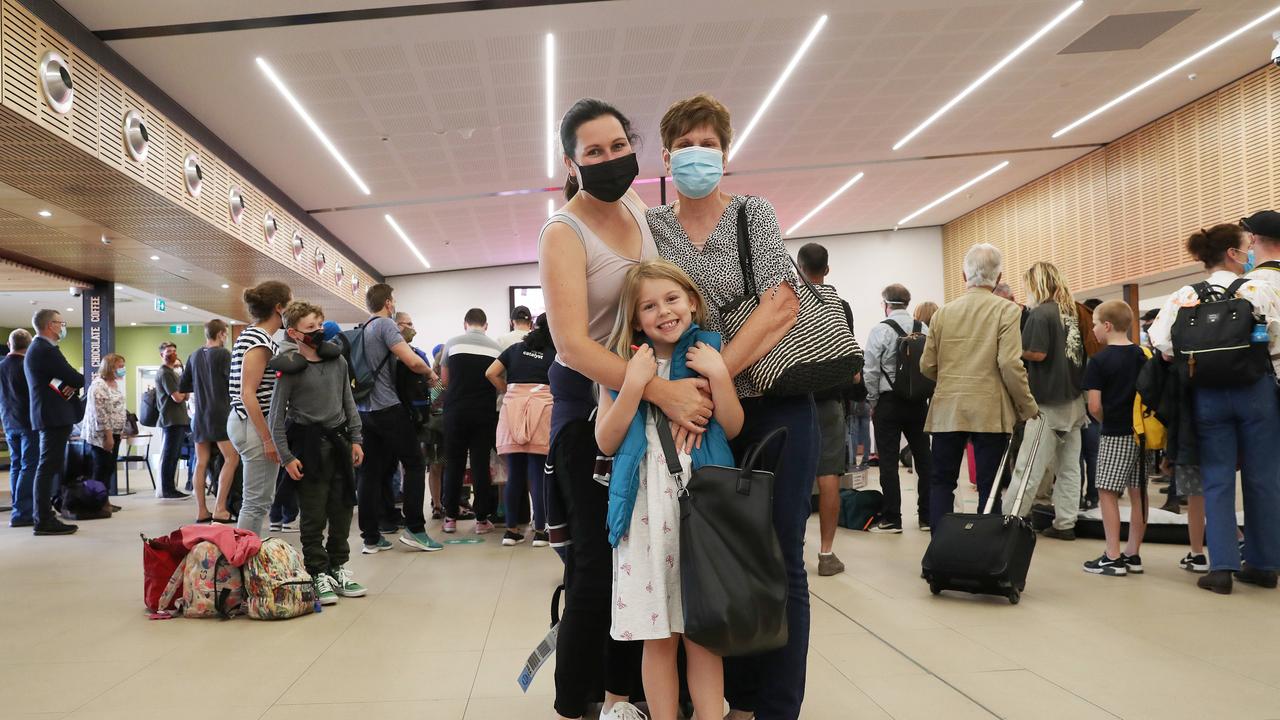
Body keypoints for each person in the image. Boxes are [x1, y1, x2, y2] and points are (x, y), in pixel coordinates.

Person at [646, 92, 812, 720]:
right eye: (684, 146)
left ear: (726, 151)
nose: (697, 155)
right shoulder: (654, 226)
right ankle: (724, 698)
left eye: (707, 144)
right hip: (690, 417)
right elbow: (649, 306)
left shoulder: (751, 213)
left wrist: (719, 381)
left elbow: (779, 304)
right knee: (710, 556)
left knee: (779, 556)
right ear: (666, 156)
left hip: (766, 406)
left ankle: (773, 705)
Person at [540, 98, 703, 720]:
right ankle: (594, 699)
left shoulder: (637, 207)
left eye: (617, 147)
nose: (610, 160)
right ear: (571, 162)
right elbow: (571, 343)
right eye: (594, 152)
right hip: (596, 416)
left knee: (658, 561)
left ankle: (651, 693)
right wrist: (654, 390)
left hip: (659, 415)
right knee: (601, 566)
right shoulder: (564, 232)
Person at [596, 260, 743, 720]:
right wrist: (635, 385)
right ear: (635, 318)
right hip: (644, 516)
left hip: (702, 515)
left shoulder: (708, 353)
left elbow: (733, 427)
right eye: (649, 306)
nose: (663, 311)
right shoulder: (622, 364)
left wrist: (719, 374)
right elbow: (605, 439)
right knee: (657, 637)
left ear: (692, 301)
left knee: (703, 635)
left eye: (672, 299)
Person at [1150, 223, 1280, 594]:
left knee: (1217, 479)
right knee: (1263, 478)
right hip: (1256, 391)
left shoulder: (1185, 294)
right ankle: (1263, 563)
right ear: (1232, 254)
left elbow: (1160, 342)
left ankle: (1221, 567)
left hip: (1207, 394)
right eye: (1245, 247)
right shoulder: (1260, 288)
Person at [922, 245, 1038, 530]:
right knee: (990, 486)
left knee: (942, 482)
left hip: (948, 408)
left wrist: (950, 378)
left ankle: (940, 549)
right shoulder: (1007, 311)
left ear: (964, 275)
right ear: (998, 278)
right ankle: (986, 552)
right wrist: (1027, 406)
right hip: (990, 410)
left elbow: (926, 365)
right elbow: (1010, 363)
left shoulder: (943, 313)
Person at [268, 301, 367, 604]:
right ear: (294, 333)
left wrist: (356, 438)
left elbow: (348, 403)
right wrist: (286, 457)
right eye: (311, 328)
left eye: (320, 326)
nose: (318, 332)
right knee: (313, 514)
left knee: (341, 510)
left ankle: (338, 567)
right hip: (308, 448)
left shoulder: (337, 363)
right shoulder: (291, 369)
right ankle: (317, 572)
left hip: (339, 444)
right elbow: (275, 417)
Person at [1001, 262, 1087, 540]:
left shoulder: (1041, 314)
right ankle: (1066, 523)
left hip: (1048, 403)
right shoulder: (1072, 312)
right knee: (1070, 468)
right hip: (1075, 400)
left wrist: (1010, 347)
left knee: (1028, 467)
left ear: (1037, 284)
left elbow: (1036, 353)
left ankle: (1009, 521)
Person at [355, 283, 442, 555]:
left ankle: (371, 537)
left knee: (370, 472)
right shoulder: (385, 326)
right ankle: (415, 529)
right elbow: (411, 361)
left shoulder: (364, 329)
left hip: (366, 410)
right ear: (389, 303)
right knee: (415, 464)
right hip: (388, 407)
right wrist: (430, 374)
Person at [796, 242, 854, 576]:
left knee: (795, 476)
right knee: (829, 474)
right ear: (827, 270)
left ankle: (791, 547)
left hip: (796, 400)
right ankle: (827, 554)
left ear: (799, 269)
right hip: (830, 402)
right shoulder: (840, 306)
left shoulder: (790, 304)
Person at [1081, 301, 1148, 576]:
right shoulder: (1143, 356)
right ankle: (1133, 553)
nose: (1093, 329)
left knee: (1107, 492)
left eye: (1095, 324)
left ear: (1107, 326)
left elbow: (1094, 405)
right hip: (1141, 434)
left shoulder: (1098, 361)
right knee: (1138, 493)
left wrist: (1104, 422)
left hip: (1114, 433)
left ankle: (1112, 554)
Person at [864, 283, 933, 534]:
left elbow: (870, 370)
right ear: (907, 302)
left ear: (885, 304)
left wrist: (872, 401)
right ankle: (927, 516)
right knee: (924, 459)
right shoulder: (923, 328)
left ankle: (893, 518)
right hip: (918, 403)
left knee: (889, 461)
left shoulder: (879, 331)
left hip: (889, 402)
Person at [487, 312, 556, 546]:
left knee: (514, 473)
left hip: (512, 409)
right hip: (542, 409)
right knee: (538, 473)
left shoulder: (515, 349)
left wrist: (508, 390)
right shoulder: (554, 352)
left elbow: (490, 372)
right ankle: (540, 532)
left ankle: (511, 531)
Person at [229, 281, 292, 537]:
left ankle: (244, 561)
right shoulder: (259, 340)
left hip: (250, 423)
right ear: (279, 307)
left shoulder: (254, 336)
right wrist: (267, 438)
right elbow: (248, 393)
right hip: (253, 425)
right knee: (256, 503)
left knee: (258, 501)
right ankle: (242, 566)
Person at [440, 309, 502, 534]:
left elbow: (444, 381)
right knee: (480, 465)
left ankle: (449, 518)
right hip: (484, 413)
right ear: (486, 325)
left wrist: (431, 398)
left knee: (453, 463)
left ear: (465, 324)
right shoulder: (496, 348)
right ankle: (482, 520)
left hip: (455, 411)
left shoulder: (452, 343)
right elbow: (499, 381)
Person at [24, 309, 83, 535]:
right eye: (61, 323)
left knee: (49, 466)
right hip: (52, 416)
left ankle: (45, 515)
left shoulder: (38, 350)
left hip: (50, 414)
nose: (63, 327)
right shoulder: (46, 350)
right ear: (50, 325)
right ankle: (43, 519)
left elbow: (62, 380)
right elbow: (76, 377)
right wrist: (72, 382)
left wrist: (69, 383)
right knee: (47, 467)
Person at [180, 320, 238, 522]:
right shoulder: (224, 354)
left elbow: (184, 385)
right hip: (220, 414)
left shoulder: (194, 355)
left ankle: (201, 510)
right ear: (222, 334)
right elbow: (235, 381)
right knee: (232, 458)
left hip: (200, 416)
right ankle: (220, 508)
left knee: (201, 463)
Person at [1, 329, 37, 527]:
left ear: (9, 344)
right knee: (29, 467)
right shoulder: (28, 366)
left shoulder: (0, 367)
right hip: (29, 423)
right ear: (29, 345)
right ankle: (23, 513)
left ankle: (18, 507)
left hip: (8, 423)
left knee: (16, 466)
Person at [84, 353, 127, 497]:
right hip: (102, 435)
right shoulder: (99, 386)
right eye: (120, 366)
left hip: (115, 432)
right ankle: (95, 502)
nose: (122, 369)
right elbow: (100, 414)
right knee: (101, 469)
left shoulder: (114, 384)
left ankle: (104, 500)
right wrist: (109, 436)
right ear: (110, 367)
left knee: (109, 468)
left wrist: (119, 431)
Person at [155, 342, 191, 499]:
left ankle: (171, 487)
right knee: (170, 456)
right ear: (162, 354)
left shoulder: (174, 373)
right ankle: (168, 489)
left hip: (179, 419)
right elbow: (177, 397)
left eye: (174, 351)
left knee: (175, 455)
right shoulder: (165, 373)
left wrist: (183, 393)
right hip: (171, 420)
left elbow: (186, 395)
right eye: (169, 351)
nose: (173, 354)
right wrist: (182, 394)